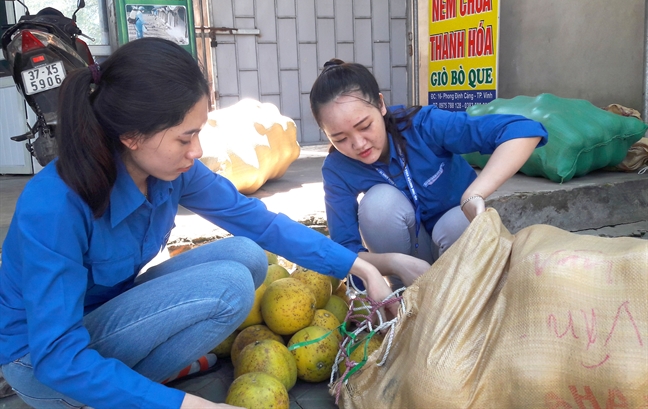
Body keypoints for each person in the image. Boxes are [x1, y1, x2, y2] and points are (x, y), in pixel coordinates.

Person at [0, 39, 402, 409]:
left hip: (107, 319)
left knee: (247, 256)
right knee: (227, 288)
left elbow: (259, 223)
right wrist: (189, 406)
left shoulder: (170, 172)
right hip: (43, 365)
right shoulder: (55, 205)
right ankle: (122, 393)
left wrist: (360, 265)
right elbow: (56, 356)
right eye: (185, 137)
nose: (197, 150)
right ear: (132, 136)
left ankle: (132, 384)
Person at [309, 59, 549, 289]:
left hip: (455, 249)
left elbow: (523, 130)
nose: (359, 143)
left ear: (381, 105)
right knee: (378, 204)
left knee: (458, 221)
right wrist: (394, 263)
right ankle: (403, 294)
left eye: (364, 126)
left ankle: (461, 294)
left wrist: (475, 193)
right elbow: (345, 252)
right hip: (407, 267)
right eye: (340, 138)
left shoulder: (423, 125)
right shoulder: (338, 168)